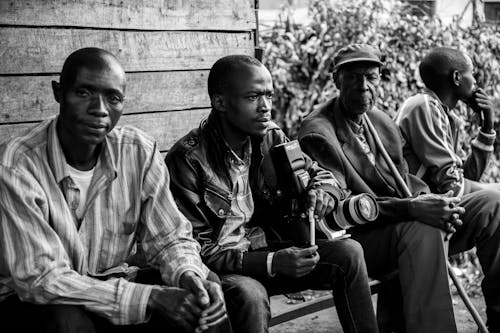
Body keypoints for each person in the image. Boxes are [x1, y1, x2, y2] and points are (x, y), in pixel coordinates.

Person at [0, 47, 228, 333]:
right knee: (67, 322)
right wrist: (151, 297)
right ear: (59, 93)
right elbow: (41, 278)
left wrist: (188, 275)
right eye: (83, 93)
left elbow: (169, 239)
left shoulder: (138, 152)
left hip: (110, 287)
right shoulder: (16, 164)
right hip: (33, 303)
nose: (99, 109)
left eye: (113, 98)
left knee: (204, 295)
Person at [165, 54, 379, 333]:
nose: (265, 107)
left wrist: (322, 191)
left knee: (348, 253)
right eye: (253, 97)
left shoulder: (270, 137)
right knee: (250, 293)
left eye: (268, 95)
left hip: (264, 250)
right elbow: (197, 252)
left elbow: (322, 174)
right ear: (220, 102)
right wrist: (271, 262)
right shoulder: (188, 160)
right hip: (222, 271)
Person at [297, 43, 466, 333]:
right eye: (353, 77)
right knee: (423, 230)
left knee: (491, 203)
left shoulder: (380, 121)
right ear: (337, 80)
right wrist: (414, 208)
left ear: (380, 80)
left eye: (371, 77)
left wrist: (434, 202)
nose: (363, 86)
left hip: (392, 223)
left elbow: (405, 180)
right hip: (358, 239)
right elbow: (343, 209)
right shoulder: (319, 132)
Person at [395, 46, 500, 333]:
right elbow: (451, 184)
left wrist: (487, 124)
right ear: (457, 77)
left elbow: (464, 177)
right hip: (418, 215)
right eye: (472, 75)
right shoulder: (422, 106)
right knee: (498, 203)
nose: (476, 81)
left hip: (439, 209)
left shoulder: (443, 114)